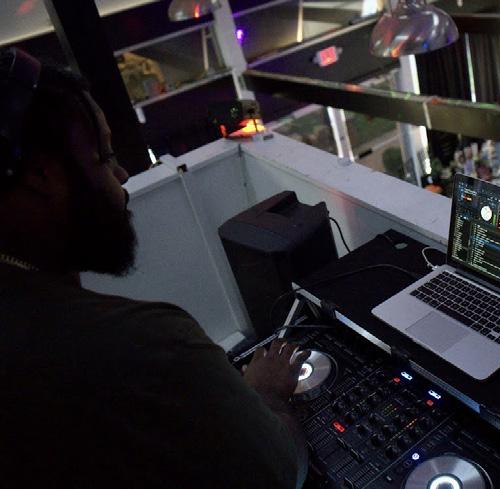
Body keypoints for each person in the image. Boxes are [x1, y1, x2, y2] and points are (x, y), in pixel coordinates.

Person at [0, 48, 308, 488]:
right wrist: (268, 392)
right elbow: (280, 470)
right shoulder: (151, 345)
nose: (123, 174)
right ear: (42, 177)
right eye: (105, 155)